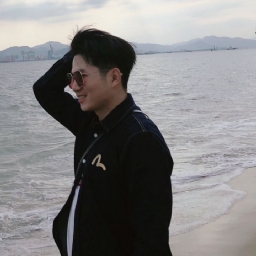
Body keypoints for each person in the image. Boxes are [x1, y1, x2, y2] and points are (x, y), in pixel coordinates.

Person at [33, 28, 173, 256]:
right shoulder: (90, 123)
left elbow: (151, 240)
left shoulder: (141, 139)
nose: (73, 86)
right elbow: (44, 89)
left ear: (114, 77)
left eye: (81, 77)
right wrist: (78, 52)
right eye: (71, 78)